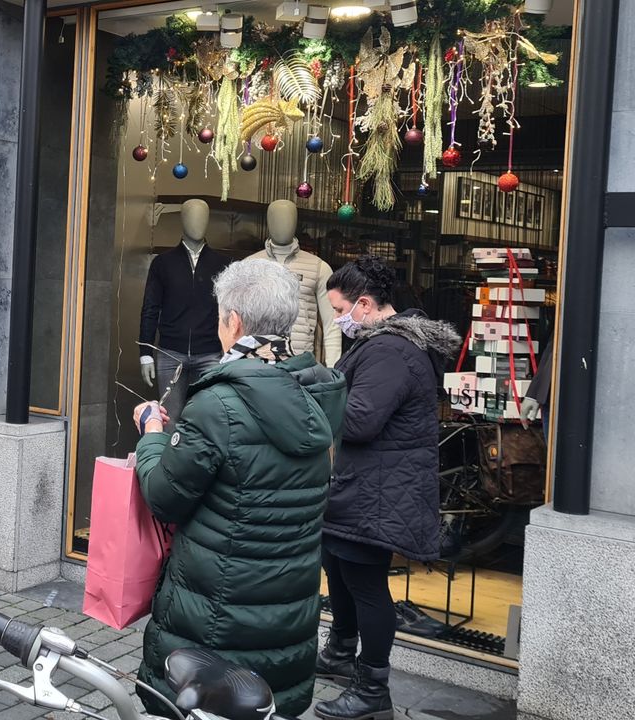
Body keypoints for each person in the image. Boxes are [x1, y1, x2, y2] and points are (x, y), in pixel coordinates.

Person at [131, 259, 347, 718]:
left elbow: (164, 497)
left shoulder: (218, 404)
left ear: (233, 322)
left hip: (215, 619)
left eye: (220, 317)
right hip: (288, 617)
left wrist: (151, 435)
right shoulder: (320, 395)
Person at [315, 255, 460, 720]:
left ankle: (373, 689)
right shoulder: (383, 343)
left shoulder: (390, 350)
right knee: (339, 570)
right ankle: (339, 654)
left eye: (340, 310)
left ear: (365, 304)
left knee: (365, 585)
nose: (338, 319)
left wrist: (311, 398)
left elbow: (358, 420)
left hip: (379, 492)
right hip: (363, 486)